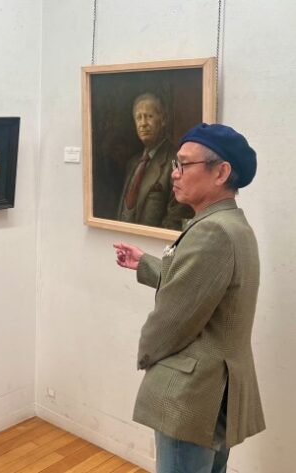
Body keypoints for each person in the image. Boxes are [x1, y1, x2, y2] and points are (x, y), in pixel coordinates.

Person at [113, 123, 264, 473]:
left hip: (191, 395)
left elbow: (173, 318)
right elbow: (201, 286)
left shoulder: (211, 231)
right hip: (217, 391)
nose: (174, 173)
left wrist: (145, 355)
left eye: (184, 164)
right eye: (175, 164)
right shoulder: (232, 224)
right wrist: (146, 264)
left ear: (220, 172)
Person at [117, 93, 193, 229]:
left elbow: (176, 218)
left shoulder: (176, 161)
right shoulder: (132, 164)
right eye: (138, 118)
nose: (143, 123)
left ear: (163, 120)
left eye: (149, 116)